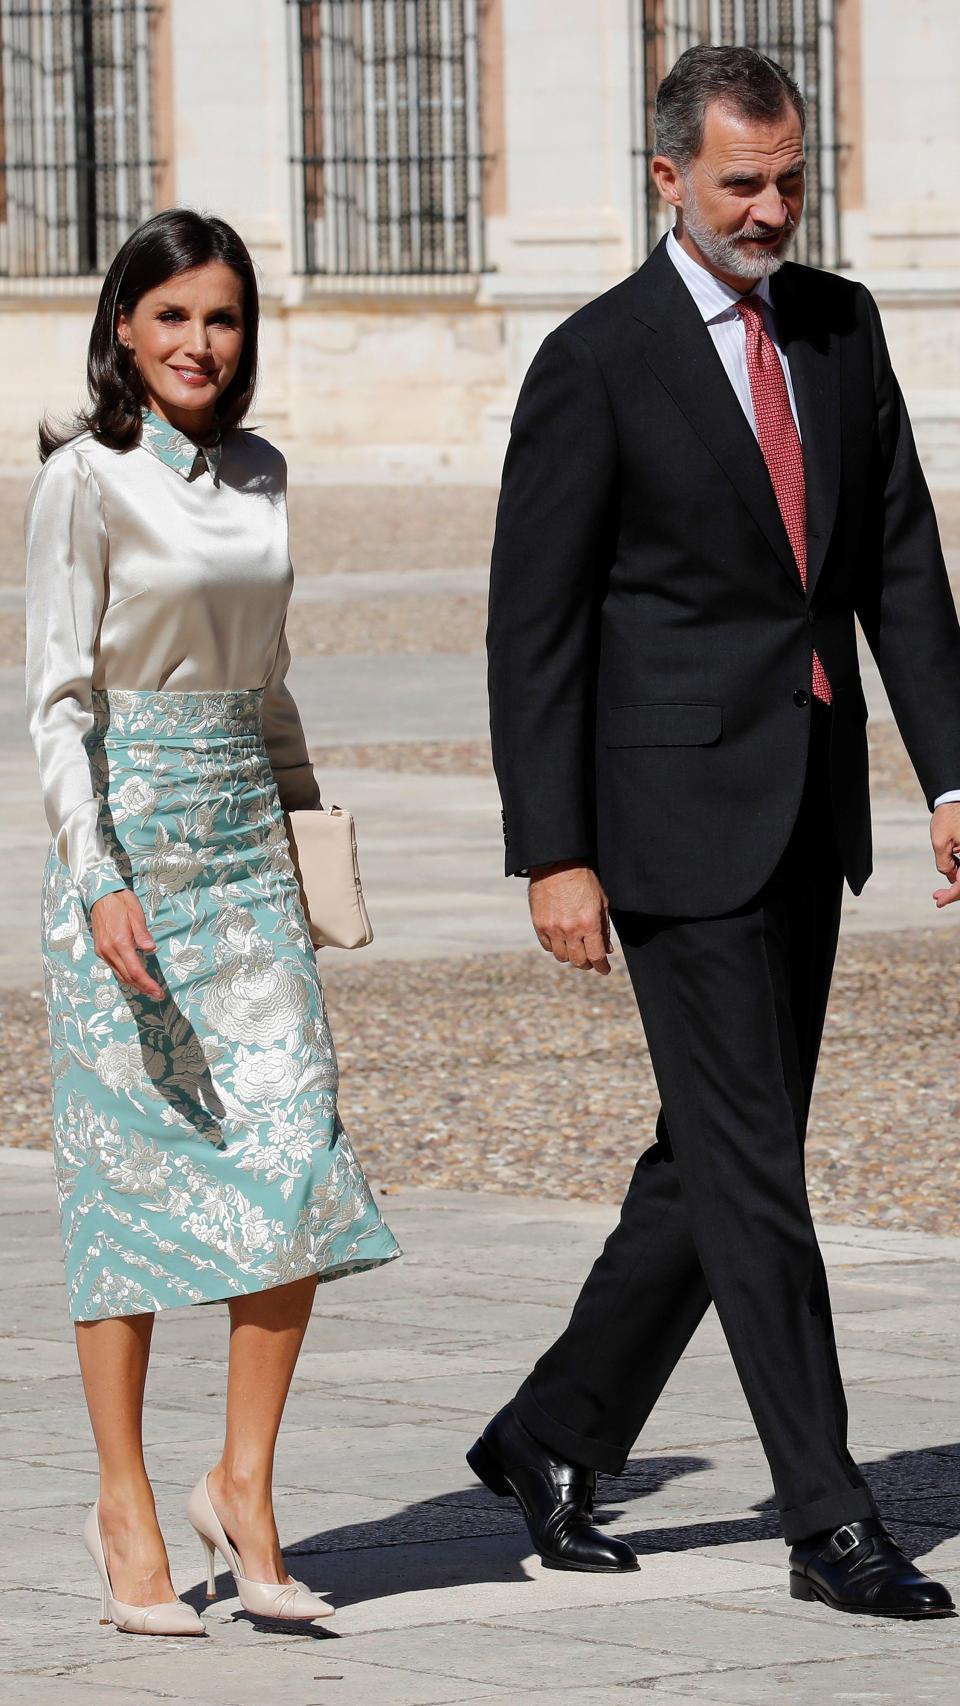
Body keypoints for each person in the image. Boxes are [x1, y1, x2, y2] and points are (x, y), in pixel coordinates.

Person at [473, 45, 960, 1618]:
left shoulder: (840, 324)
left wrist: (952, 776)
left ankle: (552, 1431)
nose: (773, 208)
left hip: (805, 812)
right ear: (668, 177)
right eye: (743, 181)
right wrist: (553, 846)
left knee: (717, 1156)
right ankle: (831, 1515)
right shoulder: (595, 358)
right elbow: (531, 627)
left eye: (793, 177)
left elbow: (897, 561)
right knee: (754, 1168)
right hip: (667, 822)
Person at [24, 209, 400, 1636]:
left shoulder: (263, 474)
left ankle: (242, 1482)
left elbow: (272, 670)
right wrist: (96, 871)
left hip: (244, 838)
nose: (197, 343)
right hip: (124, 850)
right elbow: (57, 701)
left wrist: (309, 824)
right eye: (171, 314)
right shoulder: (83, 480)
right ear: (124, 324)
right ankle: (123, 1498)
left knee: (296, 1156)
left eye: (222, 319)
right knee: (126, 1186)